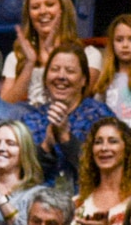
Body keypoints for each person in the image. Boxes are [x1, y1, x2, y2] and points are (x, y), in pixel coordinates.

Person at [23, 45, 114, 183]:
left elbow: (106, 172)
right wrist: (46, 146)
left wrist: (66, 139)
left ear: (84, 80)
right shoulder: (32, 120)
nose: (61, 76)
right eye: (54, 69)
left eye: (70, 71)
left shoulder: (100, 117)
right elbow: (22, 176)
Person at [0, 0, 91, 109]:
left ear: (63, 9)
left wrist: (51, 54)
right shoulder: (16, 57)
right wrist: (29, 64)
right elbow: (4, 107)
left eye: (49, 4)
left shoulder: (87, 54)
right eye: (35, 7)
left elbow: (80, 101)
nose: (43, 11)